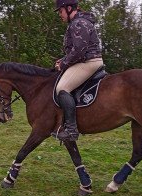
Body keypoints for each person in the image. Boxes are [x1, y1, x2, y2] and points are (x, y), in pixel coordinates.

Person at [53, 0, 104, 141]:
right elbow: (77, 49)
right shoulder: (79, 22)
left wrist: (63, 64)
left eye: (60, 11)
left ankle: (71, 130)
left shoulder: (78, 23)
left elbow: (79, 52)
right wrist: (63, 59)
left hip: (88, 62)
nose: (59, 14)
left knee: (62, 88)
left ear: (69, 8)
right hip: (86, 60)